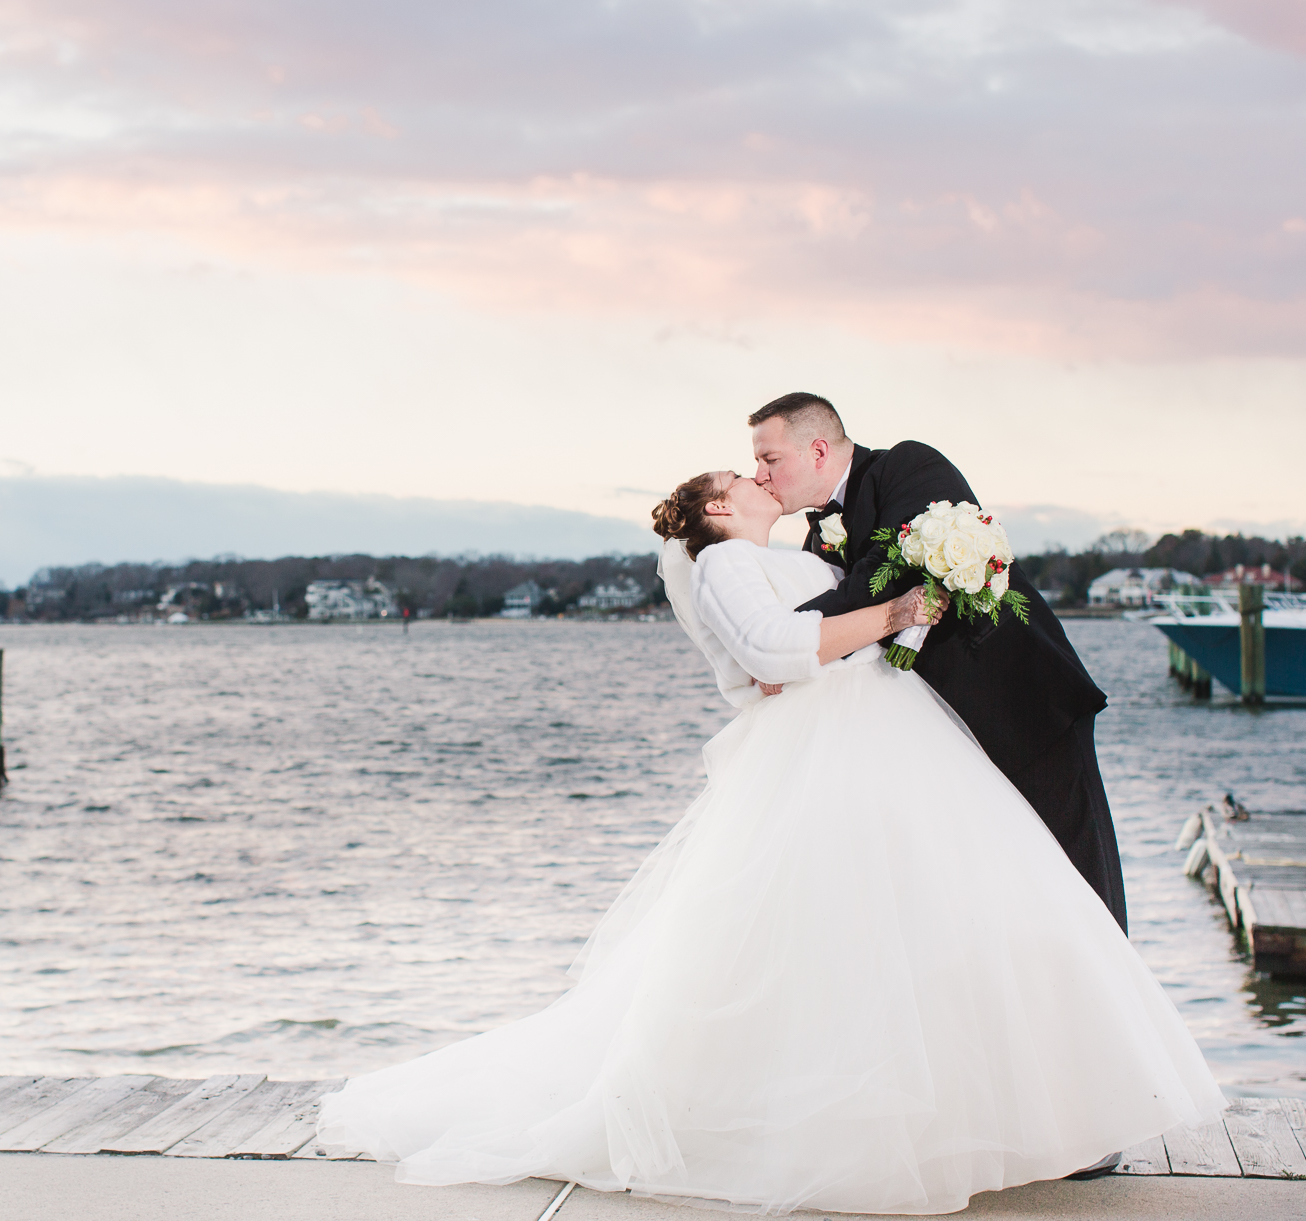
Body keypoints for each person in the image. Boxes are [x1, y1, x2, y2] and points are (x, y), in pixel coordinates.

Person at [314, 469, 1224, 1215]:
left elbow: (797, 644)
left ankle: (1006, 1113)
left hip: (882, 741)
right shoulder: (727, 564)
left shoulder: (771, 551)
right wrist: (896, 614)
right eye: (738, 476)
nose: (757, 476)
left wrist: (895, 622)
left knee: (935, 920)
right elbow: (773, 651)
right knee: (844, 935)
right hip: (837, 754)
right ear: (714, 510)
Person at [748, 392, 1127, 936]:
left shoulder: (908, 466)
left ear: (817, 450)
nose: (759, 474)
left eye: (769, 459)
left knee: (1082, 890)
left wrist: (784, 644)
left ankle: (1115, 1014)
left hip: (1023, 706)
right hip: (945, 741)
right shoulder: (816, 536)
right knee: (1009, 903)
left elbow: (888, 575)